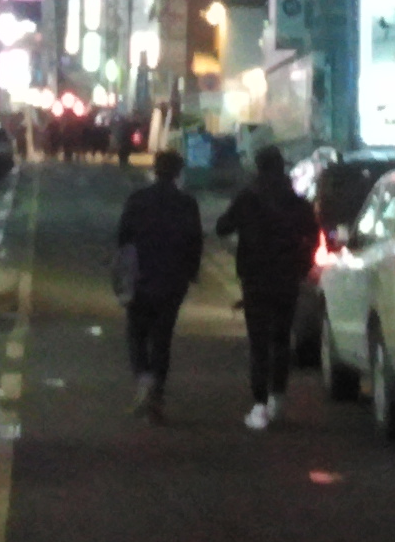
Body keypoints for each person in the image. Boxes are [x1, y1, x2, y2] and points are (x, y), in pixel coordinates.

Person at [214, 146, 320, 431]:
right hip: (287, 278)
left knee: (259, 343)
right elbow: (313, 235)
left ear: (258, 168)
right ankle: (278, 399)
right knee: (282, 340)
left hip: (255, 279)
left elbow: (222, 227)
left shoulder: (248, 199)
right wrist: (302, 264)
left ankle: (259, 405)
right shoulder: (296, 202)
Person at [114, 149, 203, 421]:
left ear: (155, 170)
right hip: (173, 281)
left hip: (141, 278)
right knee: (162, 339)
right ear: (178, 173)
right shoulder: (187, 203)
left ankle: (143, 379)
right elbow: (195, 242)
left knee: (137, 333)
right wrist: (191, 273)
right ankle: (157, 397)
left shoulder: (138, 199)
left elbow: (122, 237)